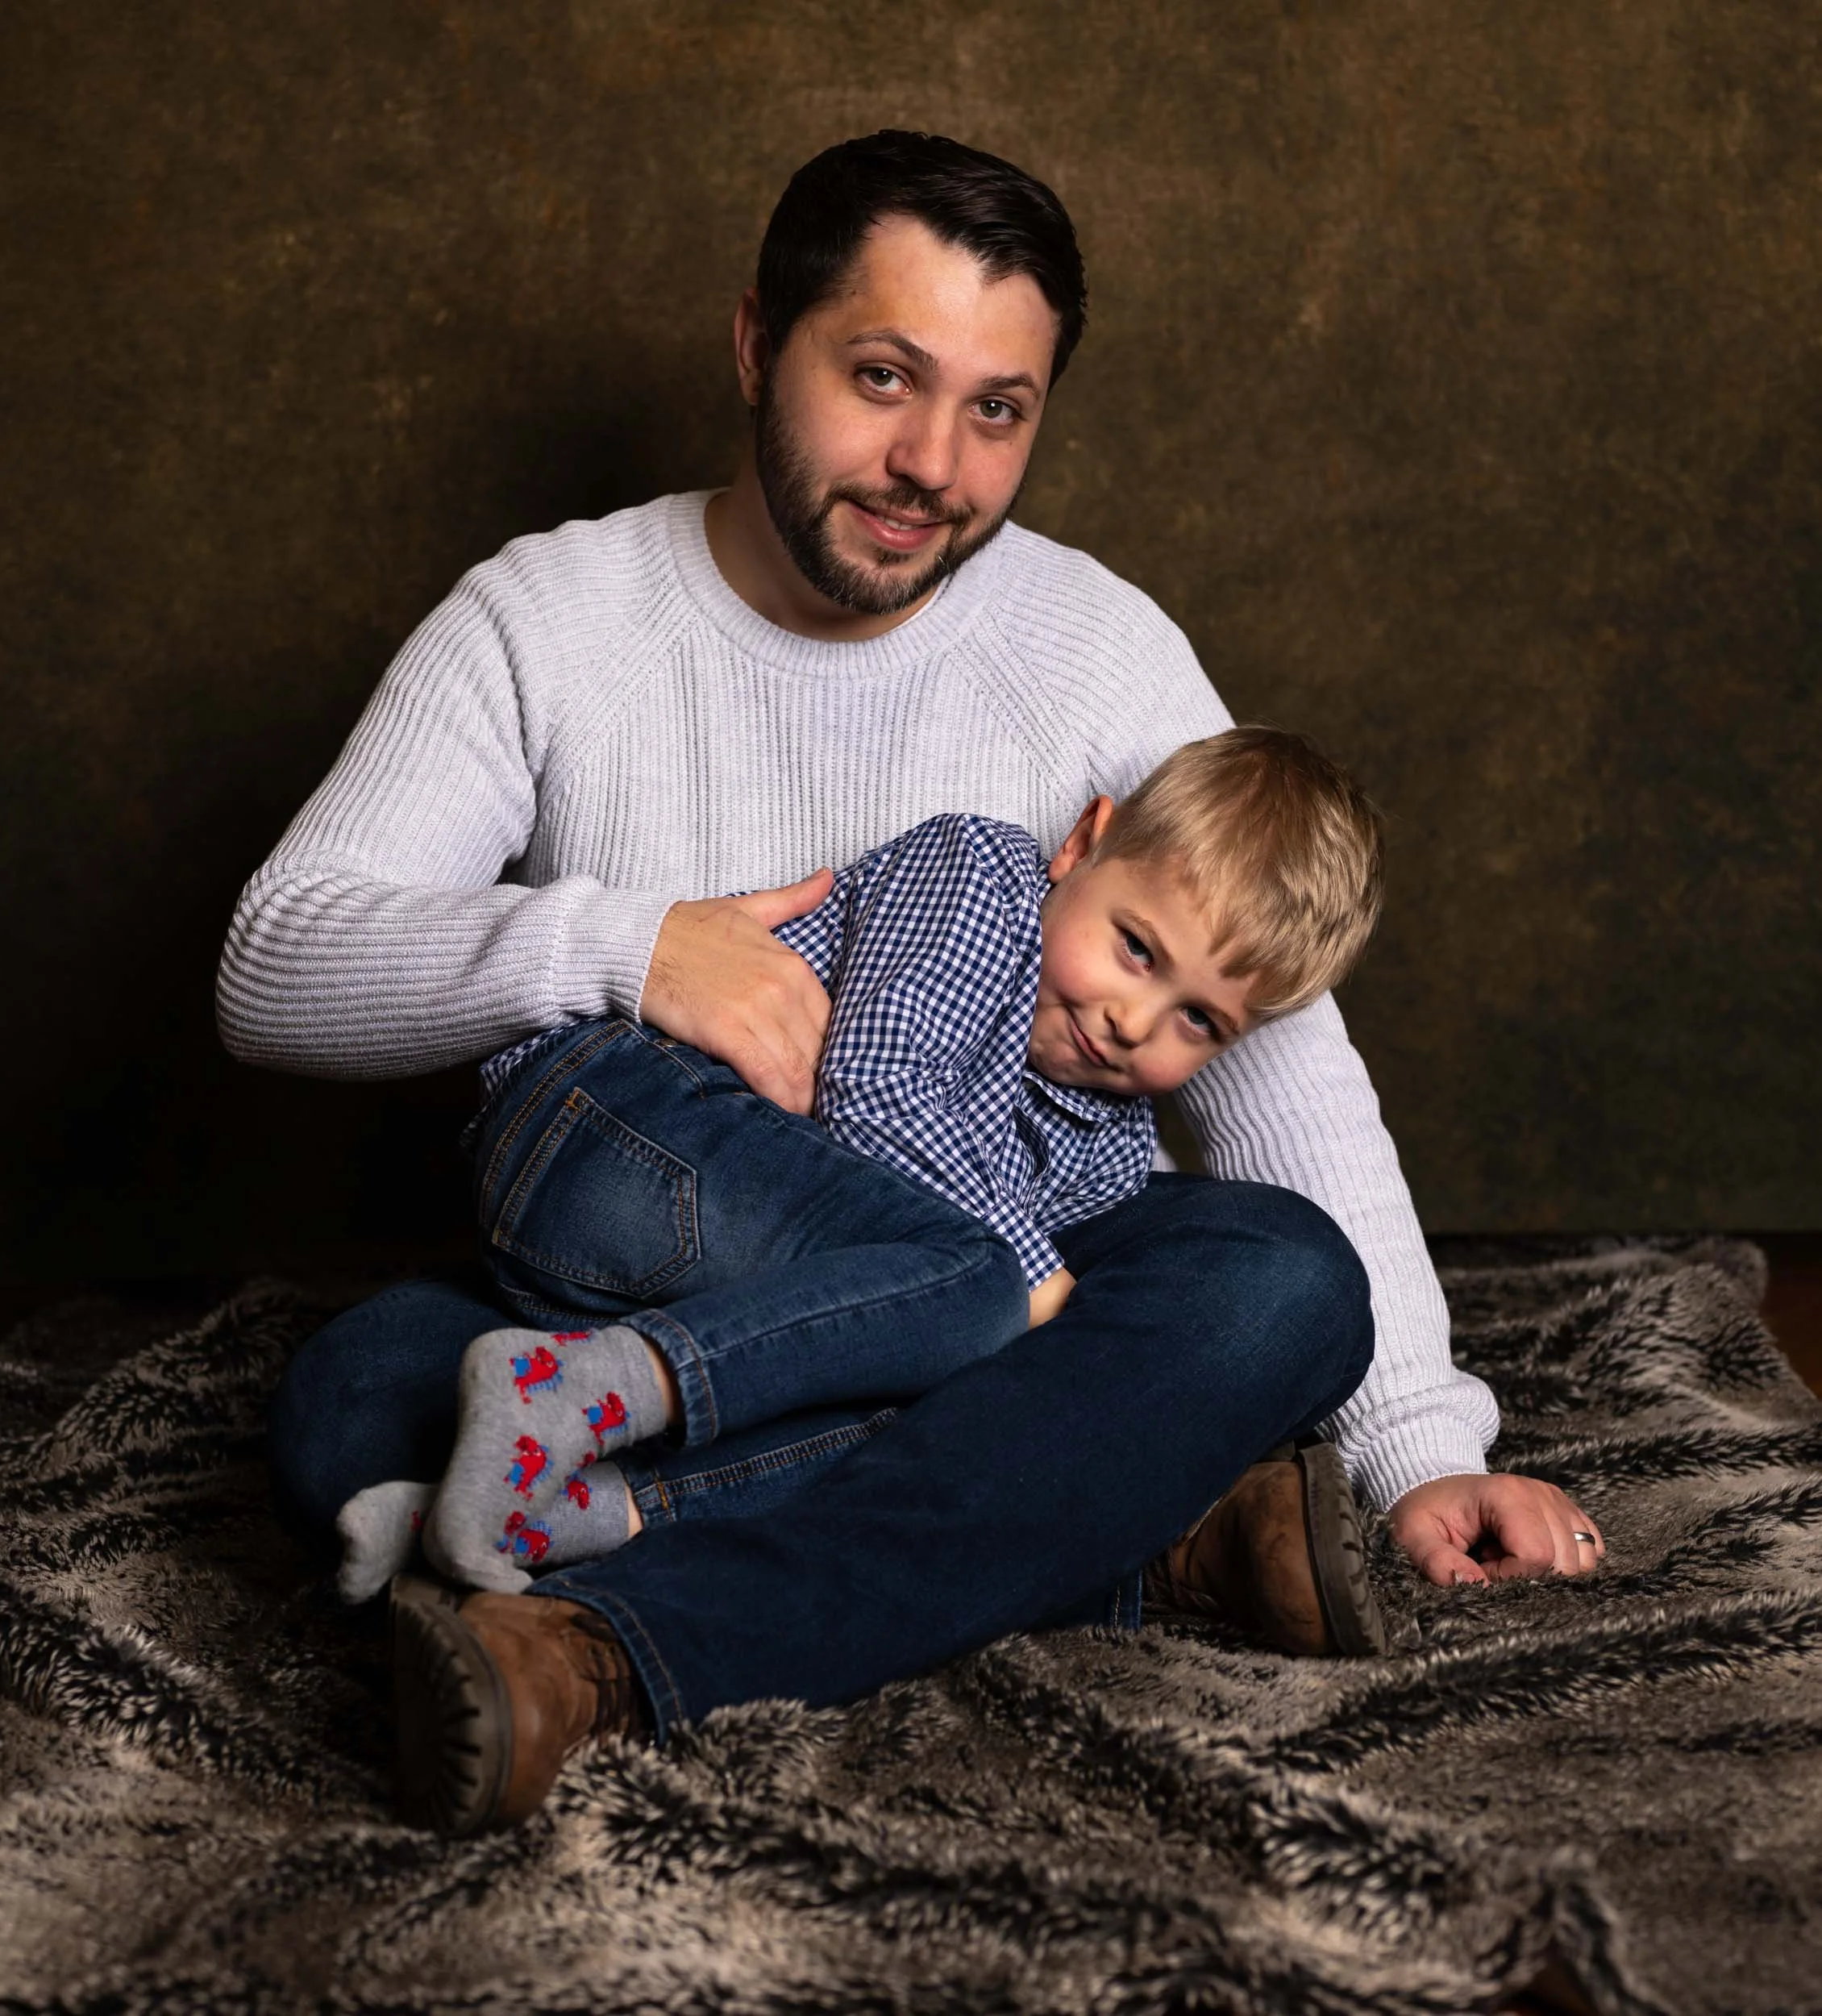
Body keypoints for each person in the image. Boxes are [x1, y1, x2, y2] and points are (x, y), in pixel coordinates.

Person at [219, 131, 1605, 1837]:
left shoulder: (1092, 641)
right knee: (360, 1384)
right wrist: (630, 946)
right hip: (686, 1267)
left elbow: (1272, 1061)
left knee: (1280, 1282)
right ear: (754, 344)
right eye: (880, 376)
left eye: (997, 410)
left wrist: (1411, 1440)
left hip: (974, 1253)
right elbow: (277, 959)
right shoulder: (546, 617)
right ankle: (1142, 1531)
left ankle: (590, 1647)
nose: (930, 464)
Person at [335, 728, 1387, 1649]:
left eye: (1199, 1022)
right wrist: (1029, 1286)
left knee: (933, 1381)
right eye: (1136, 949)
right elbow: (877, 1083)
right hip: (620, 1128)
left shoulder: (1105, 1152)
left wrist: (1412, 1447)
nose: (1132, 1021)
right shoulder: (986, 881)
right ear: (1084, 845)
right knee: (980, 1297)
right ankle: (559, 1395)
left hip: (686, 1291)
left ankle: (523, 1515)